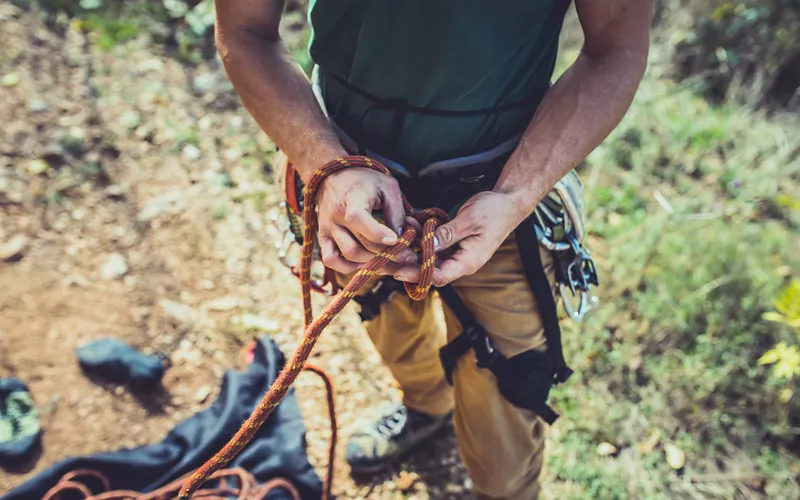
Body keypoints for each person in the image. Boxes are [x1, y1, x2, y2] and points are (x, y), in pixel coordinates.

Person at [214, 1, 653, 498]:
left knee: (510, 388)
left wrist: (516, 195)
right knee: (385, 317)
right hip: (348, 180)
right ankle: (426, 406)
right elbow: (244, 30)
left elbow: (616, 46)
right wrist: (325, 164)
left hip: (499, 188)